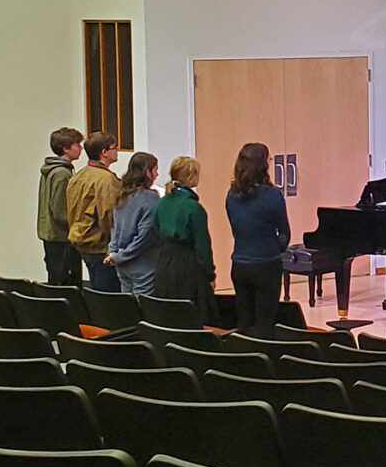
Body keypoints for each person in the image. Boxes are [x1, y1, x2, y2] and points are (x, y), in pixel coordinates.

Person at [225, 143, 290, 338]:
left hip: (240, 263)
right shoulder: (273, 195)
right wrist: (274, 248)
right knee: (264, 324)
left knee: (244, 323)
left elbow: (236, 228)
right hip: (266, 264)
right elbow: (284, 233)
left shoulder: (231, 195)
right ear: (263, 165)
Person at [152, 156, 216, 324]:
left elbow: (155, 229)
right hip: (187, 267)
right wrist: (210, 274)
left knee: (169, 316)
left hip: (164, 263)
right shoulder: (194, 208)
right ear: (192, 176)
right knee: (190, 316)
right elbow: (203, 246)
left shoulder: (162, 202)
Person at [66, 131, 121, 291]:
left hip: (82, 241)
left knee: (97, 290)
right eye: (114, 148)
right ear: (104, 152)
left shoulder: (79, 175)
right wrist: (116, 244)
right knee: (108, 296)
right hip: (100, 245)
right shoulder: (105, 180)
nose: (117, 151)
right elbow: (108, 215)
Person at [106, 152, 160, 294]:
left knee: (127, 310)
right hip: (143, 265)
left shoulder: (122, 194)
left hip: (122, 264)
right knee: (143, 310)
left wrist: (114, 253)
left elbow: (115, 228)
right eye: (155, 170)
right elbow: (145, 236)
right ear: (147, 172)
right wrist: (121, 255)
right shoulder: (150, 198)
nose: (157, 174)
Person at [37, 127, 84, 286]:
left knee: (55, 277)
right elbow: (59, 209)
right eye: (77, 144)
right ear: (66, 148)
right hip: (61, 236)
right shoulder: (62, 173)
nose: (81, 148)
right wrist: (77, 226)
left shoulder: (51, 169)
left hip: (51, 233)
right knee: (65, 282)